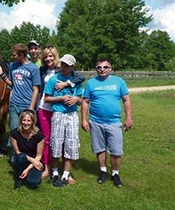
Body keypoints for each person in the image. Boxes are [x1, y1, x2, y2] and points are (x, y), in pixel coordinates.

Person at [81, 58, 133, 188]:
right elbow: (85, 102)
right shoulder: (91, 83)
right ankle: (103, 171)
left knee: (116, 150)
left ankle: (115, 174)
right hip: (96, 121)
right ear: (96, 69)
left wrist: (129, 118)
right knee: (99, 148)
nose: (102, 69)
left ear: (110, 68)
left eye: (105, 67)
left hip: (114, 122)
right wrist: (83, 119)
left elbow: (126, 100)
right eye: (99, 67)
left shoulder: (119, 82)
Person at [38, 46, 85, 180]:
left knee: (70, 142)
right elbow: (46, 97)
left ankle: (66, 173)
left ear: (72, 67)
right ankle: (53, 170)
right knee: (54, 142)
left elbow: (81, 100)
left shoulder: (75, 80)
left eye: (67, 65)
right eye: (63, 64)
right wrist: (61, 98)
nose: (64, 67)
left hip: (71, 114)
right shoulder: (51, 77)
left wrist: (75, 98)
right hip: (54, 112)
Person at [0, 43, 41, 144]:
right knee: (15, 132)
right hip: (14, 104)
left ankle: (26, 154)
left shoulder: (34, 68)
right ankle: (16, 155)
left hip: (27, 105)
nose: (12, 57)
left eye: (14, 55)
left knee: (27, 132)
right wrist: (2, 74)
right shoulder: (13, 66)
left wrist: (31, 108)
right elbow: (12, 83)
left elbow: (36, 89)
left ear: (22, 55)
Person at [11, 109, 44, 189]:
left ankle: (26, 174)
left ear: (33, 122)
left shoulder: (39, 136)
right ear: (20, 121)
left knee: (33, 183)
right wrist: (31, 159)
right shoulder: (14, 133)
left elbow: (39, 156)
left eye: (28, 121)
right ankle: (18, 179)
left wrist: (28, 169)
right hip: (21, 159)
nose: (26, 123)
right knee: (21, 156)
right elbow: (18, 152)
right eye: (24, 120)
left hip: (35, 162)